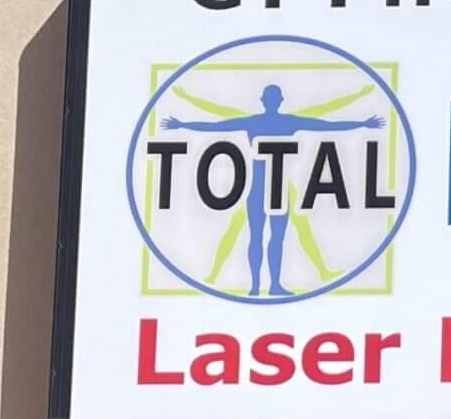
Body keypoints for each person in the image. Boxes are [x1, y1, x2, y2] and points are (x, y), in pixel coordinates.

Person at [159, 83, 385, 297]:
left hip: (273, 190)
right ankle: (259, 285)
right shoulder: (278, 122)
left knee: (269, 237)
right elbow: (217, 127)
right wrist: (182, 126)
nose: (272, 101)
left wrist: (363, 125)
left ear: (266, 100)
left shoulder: (269, 122)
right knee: (265, 237)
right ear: (276, 101)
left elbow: (325, 125)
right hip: (264, 190)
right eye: (272, 98)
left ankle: (267, 285)